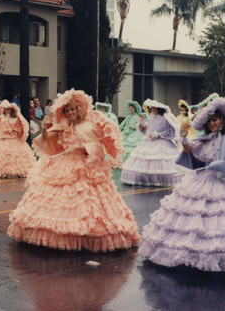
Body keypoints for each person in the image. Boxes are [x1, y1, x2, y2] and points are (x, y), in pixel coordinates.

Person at [8, 89, 141, 251]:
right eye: (67, 110)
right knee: (57, 200)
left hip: (85, 165)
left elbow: (97, 148)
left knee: (87, 200)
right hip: (63, 164)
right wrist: (44, 126)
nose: (70, 113)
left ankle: (85, 235)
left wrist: (80, 146)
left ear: (78, 109)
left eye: (72, 110)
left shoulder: (88, 126)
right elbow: (46, 138)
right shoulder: (64, 125)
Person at [138, 97, 225, 273]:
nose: (212, 124)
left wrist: (222, 165)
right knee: (194, 218)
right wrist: (183, 138)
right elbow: (192, 151)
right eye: (210, 121)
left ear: (221, 119)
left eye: (215, 120)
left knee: (224, 219)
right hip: (204, 180)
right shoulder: (206, 138)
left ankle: (223, 256)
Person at [121, 99, 183, 187]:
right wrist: (141, 122)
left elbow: (170, 131)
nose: (153, 110)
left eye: (155, 108)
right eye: (152, 108)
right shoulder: (150, 118)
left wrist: (158, 134)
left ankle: (160, 179)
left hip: (161, 142)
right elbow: (143, 129)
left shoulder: (165, 119)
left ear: (159, 109)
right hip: (148, 141)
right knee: (145, 161)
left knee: (159, 160)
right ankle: (144, 178)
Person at [0, 101, 35, 178]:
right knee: (1, 155)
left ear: (12, 110)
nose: (7, 110)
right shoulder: (2, 118)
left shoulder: (16, 118)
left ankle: (14, 171)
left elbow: (20, 129)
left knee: (13, 155)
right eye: (6, 109)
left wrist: (13, 131)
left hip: (13, 139)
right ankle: (2, 171)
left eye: (8, 109)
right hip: (2, 138)